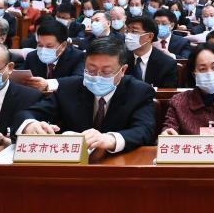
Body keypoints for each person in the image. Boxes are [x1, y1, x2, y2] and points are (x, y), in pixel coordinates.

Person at [14, 37, 156, 154]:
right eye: (91, 70)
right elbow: (27, 114)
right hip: (72, 164)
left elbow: (144, 130)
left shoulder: (139, 91)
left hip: (118, 164)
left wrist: (110, 139)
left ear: (123, 70)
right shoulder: (69, 87)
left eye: (106, 72)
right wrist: (30, 125)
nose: (97, 77)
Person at [22, 20, 86, 93]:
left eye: (49, 46)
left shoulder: (78, 56)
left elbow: (79, 80)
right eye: (40, 45)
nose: (43, 50)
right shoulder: (32, 57)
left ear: (63, 46)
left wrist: (48, 84)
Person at [125, 15, 178, 87]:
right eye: (127, 31)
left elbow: (166, 95)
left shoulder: (167, 63)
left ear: (150, 36)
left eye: (134, 31)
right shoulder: (120, 59)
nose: (128, 35)